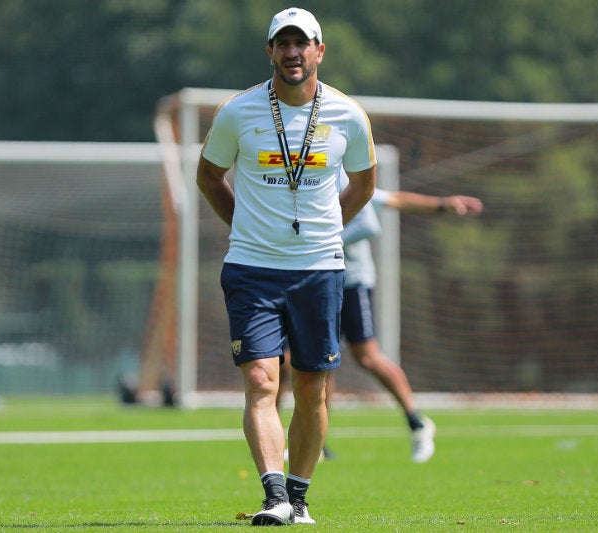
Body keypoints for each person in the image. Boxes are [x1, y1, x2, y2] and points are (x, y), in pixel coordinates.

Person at [196, 7, 377, 526]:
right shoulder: (239, 112)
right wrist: (241, 227)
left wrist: (328, 231)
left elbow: (363, 185)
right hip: (251, 267)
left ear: (319, 51)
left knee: (312, 388)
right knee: (260, 380)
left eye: (303, 44)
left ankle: (298, 497)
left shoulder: (347, 114)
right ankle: (274, 495)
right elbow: (209, 177)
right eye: (283, 44)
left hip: (319, 269)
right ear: (270, 51)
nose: (293, 53)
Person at [279, 186, 483, 463]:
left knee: (367, 357)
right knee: (315, 361)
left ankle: (417, 422)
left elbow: (389, 205)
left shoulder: (341, 178)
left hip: (351, 282)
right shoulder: (300, 182)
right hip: (313, 283)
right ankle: (313, 440)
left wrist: (443, 203)